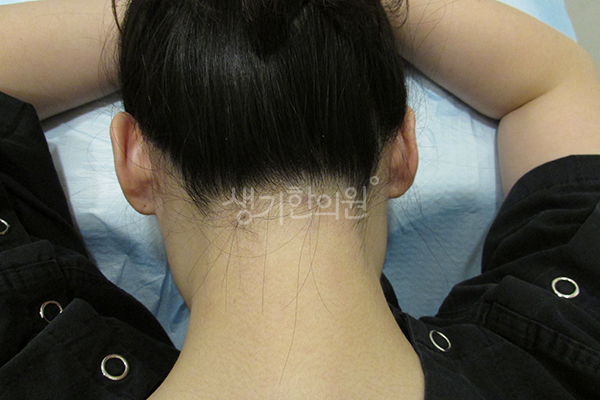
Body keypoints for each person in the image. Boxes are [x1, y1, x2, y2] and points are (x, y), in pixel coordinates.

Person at [1, 0, 599, 399]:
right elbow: (554, 81)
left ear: (134, 159)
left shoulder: (24, 361)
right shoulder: (564, 355)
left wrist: (181, 18)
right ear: (402, 150)